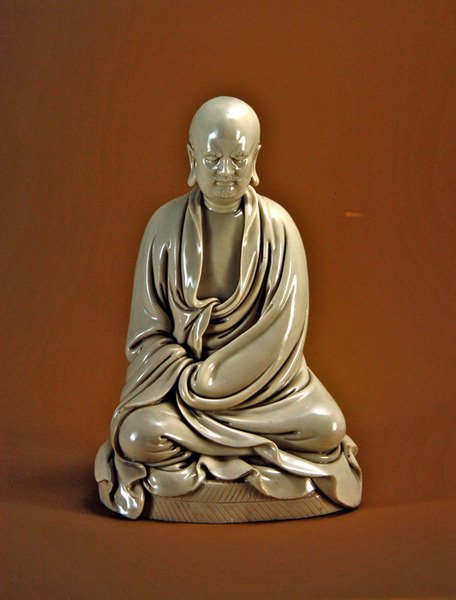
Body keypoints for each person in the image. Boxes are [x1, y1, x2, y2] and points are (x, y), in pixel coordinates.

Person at [95, 96, 362, 519]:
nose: (224, 172)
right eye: (212, 158)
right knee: (137, 436)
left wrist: (215, 384)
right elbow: (146, 337)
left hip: (267, 394)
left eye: (237, 159)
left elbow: (283, 336)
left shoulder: (280, 229)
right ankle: (244, 453)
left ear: (256, 158)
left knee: (327, 427)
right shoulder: (164, 226)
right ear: (191, 158)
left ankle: (213, 450)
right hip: (182, 392)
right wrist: (189, 379)